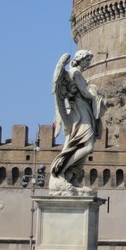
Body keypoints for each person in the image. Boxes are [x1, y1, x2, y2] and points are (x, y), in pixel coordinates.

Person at [49, 50, 106, 191]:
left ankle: (72, 178)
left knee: (80, 145)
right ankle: (60, 171)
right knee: (87, 145)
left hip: (82, 109)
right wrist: (99, 100)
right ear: (80, 60)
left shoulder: (74, 73)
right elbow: (86, 93)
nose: (89, 63)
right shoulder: (75, 73)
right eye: (87, 60)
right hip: (80, 112)